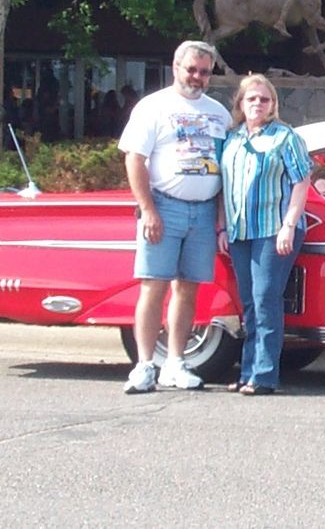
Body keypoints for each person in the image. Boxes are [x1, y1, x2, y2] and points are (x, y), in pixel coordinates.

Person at [116, 40, 230, 394]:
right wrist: (148, 209)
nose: (197, 77)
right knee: (154, 285)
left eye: (204, 72)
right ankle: (145, 365)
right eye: (191, 70)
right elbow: (134, 159)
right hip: (164, 207)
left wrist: (221, 219)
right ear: (175, 68)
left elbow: (226, 170)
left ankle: (177, 363)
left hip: (204, 211)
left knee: (188, 289)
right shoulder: (154, 107)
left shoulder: (219, 113)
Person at [217, 74, 312, 396]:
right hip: (240, 231)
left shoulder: (285, 137)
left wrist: (289, 224)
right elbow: (223, 188)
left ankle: (265, 375)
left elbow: (302, 181)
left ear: (273, 104)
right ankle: (247, 373)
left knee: (266, 299)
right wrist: (221, 227)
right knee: (248, 303)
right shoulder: (231, 139)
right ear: (240, 104)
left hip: (274, 230)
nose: (258, 104)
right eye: (251, 99)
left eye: (264, 99)